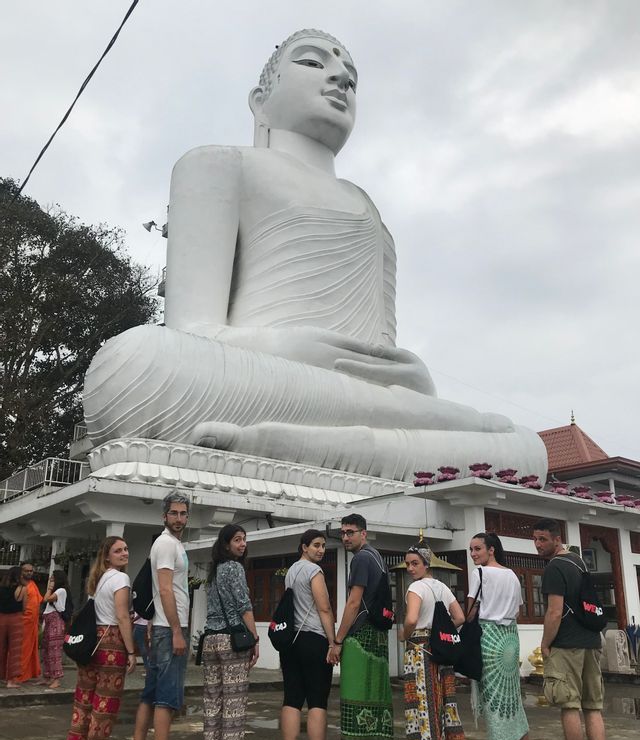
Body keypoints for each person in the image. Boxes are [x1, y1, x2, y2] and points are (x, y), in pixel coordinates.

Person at [82, 30, 547, 483]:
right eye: (313, 62)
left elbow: (383, 364)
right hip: (260, 376)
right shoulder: (218, 164)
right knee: (132, 363)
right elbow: (191, 330)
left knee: (529, 447)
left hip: (356, 398)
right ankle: (398, 444)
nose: (340, 79)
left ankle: (278, 442)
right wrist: (288, 347)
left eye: (351, 76)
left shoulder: (369, 209)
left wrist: (411, 374)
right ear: (259, 98)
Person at [534, 517, 615, 740]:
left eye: (543, 539)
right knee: (593, 707)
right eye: (535, 539)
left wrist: (546, 643)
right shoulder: (578, 562)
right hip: (591, 641)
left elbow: (554, 611)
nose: (538, 544)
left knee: (570, 706)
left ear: (557, 539)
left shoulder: (555, 567)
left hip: (567, 644)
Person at [467, 532, 542, 740]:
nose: (473, 554)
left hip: (488, 638)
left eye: (477, 549)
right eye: (471, 550)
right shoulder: (512, 575)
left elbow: (470, 611)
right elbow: (518, 610)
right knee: (514, 703)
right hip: (510, 639)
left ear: (491, 550)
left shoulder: (480, 574)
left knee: (494, 705)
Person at [62, 537, 136, 740]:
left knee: (82, 705)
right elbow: (123, 616)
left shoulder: (99, 579)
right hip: (111, 644)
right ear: (107, 556)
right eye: (118, 551)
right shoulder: (121, 579)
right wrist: (132, 651)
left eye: (125, 549)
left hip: (91, 645)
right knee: (104, 709)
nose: (124, 553)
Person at [130, 492, 191, 740]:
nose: (179, 518)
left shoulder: (171, 544)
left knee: (150, 695)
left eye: (183, 513)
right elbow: (165, 590)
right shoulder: (166, 544)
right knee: (165, 699)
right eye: (174, 513)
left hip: (162, 625)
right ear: (164, 516)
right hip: (169, 628)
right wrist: (177, 630)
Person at [328, 513, 393, 740]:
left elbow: (354, 603)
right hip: (379, 637)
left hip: (360, 636)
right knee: (379, 699)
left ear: (364, 534)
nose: (345, 537)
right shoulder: (378, 558)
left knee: (353, 698)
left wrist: (338, 640)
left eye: (351, 532)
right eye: (343, 532)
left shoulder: (361, 559)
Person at [402, 546, 473, 740]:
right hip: (442, 650)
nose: (410, 568)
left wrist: (404, 634)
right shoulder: (442, 587)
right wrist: (442, 631)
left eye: (415, 563)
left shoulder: (416, 588)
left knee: (426, 708)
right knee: (448, 705)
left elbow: (412, 619)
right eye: (408, 564)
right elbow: (461, 617)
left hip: (421, 651)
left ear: (426, 563)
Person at [201, 524, 259, 740]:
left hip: (210, 640)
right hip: (231, 641)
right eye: (237, 540)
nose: (242, 544)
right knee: (234, 705)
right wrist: (254, 639)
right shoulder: (235, 568)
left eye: (244, 539)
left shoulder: (212, 574)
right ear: (226, 544)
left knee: (213, 703)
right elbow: (244, 606)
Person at [280, 529, 335, 740]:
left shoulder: (291, 571)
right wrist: (333, 642)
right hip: (314, 639)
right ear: (304, 547)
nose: (320, 550)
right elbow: (323, 608)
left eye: (323, 545)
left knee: (291, 700)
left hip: (290, 642)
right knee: (316, 702)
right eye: (315, 545)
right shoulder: (314, 571)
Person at [41, 568, 72, 689]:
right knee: (46, 649)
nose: (50, 582)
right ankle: (48, 676)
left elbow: (47, 599)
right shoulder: (57, 591)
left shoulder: (61, 590)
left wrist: (49, 589)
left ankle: (57, 678)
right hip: (49, 620)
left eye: (53, 579)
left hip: (56, 622)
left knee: (54, 650)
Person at [0, 566, 26, 688]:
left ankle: (2, 676)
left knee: (1, 648)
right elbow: (24, 607)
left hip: (1, 618)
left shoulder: (1, 588)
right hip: (16, 619)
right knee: (14, 650)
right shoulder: (22, 589)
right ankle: (11, 680)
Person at [17, 561, 43, 683]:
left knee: (31, 649)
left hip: (33, 622)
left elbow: (38, 602)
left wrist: (38, 621)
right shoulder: (18, 585)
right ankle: (18, 673)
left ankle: (28, 673)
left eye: (31, 571)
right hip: (22, 622)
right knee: (21, 649)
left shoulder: (33, 584)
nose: (29, 573)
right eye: (26, 570)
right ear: (21, 572)